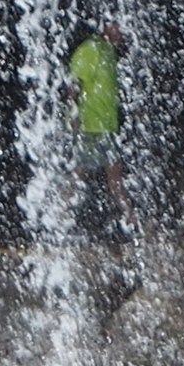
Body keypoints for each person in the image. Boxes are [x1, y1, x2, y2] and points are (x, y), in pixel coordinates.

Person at [69, 21, 130, 235]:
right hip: (93, 126)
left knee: (91, 176)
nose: (121, 30)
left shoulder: (109, 51)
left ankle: (58, 216)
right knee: (103, 177)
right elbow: (74, 85)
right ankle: (131, 220)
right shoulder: (92, 49)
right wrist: (75, 119)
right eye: (116, 25)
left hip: (106, 126)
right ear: (105, 26)